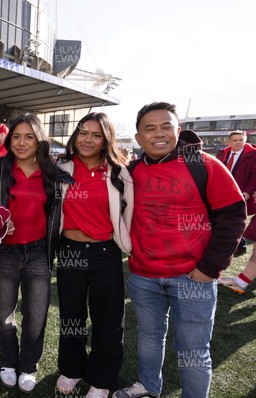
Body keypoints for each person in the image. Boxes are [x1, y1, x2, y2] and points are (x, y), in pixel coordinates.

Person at [114, 102, 246, 398]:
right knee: (149, 338)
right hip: (143, 276)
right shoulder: (131, 171)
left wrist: (208, 269)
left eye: (166, 127)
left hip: (193, 277)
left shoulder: (204, 164)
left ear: (179, 131)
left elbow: (233, 215)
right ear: (138, 137)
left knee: (194, 351)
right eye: (150, 128)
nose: (158, 134)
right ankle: (148, 387)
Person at [0, 113, 72, 393]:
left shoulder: (55, 174)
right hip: (4, 253)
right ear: (9, 139)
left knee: (36, 316)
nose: (21, 143)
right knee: (4, 315)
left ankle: (28, 366)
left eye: (29, 137)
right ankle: (8, 361)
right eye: (16, 136)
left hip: (39, 253)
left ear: (39, 140)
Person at [54, 113, 133, 398]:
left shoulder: (118, 171)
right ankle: (72, 369)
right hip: (70, 251)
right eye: (83, 132)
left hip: (105, 253)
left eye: (96, 135)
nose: (88, 139)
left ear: (106, 139)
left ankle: (102, 379)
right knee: (71, 317)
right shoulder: (60, 167)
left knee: (108, 319)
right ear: (75, 135)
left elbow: (129, 214)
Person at [215, 130, 256, 256]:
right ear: (229, 142)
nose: (238, 142)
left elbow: (255, 176)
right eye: (235, 140)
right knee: (221, 218)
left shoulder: (253, 155)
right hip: (221, 193)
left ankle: (239, 244)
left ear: (245, 140)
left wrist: (248, 192)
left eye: (241, 139)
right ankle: (229, 243)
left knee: (236, 220)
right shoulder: (222, 154)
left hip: (240, 194)